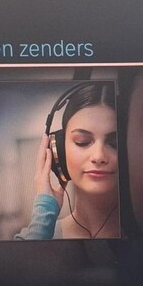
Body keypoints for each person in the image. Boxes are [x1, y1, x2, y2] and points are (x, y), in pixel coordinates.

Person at [15, 82, 121, 240]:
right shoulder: (34, 235)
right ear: (58, 149)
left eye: (114, 143)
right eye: (82, 142)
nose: (98, 156)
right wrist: (44, 210)